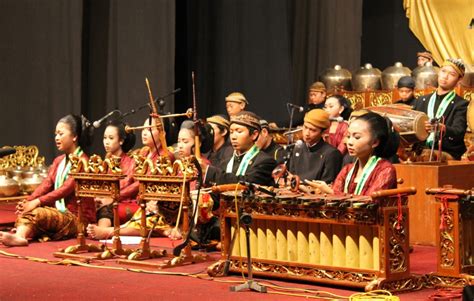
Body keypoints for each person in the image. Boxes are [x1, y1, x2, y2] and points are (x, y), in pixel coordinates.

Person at [0, 114, 94, 246]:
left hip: (77, 217)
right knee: (29, 211)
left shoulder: (83, 162)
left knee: (38, 212)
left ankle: (20, 236)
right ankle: (20, 235)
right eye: (55, 134)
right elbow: (45, 185)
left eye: (61, 134)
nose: (56, 138)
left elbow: (65, 189)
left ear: (74, 136)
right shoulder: (58, 161)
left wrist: (37, 202)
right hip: (59, 213)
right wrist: (28, 202)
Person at [87, 117, 174, 240]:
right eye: (143, 129)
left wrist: (114, 196)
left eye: (149, 129)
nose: (144, 132)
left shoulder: (165, 155)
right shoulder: (142, 153)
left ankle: (106, 232)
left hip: (153, 203)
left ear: (162, 133)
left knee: (112, 208)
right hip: (138, 200)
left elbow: (141, 182)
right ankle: (102, 232)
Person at [313, 112, 399, 196]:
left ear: (375, 142)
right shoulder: (347, 169)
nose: (349, 142)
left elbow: (370, 203)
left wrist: (331, 192)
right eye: (348, 136)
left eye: (357, 137)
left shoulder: (385, 170)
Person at [413, 58, 468, 160]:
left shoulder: (461, 104)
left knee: (428, 155)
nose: (445, 76)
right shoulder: (422, 100)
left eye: (452, 74)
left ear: (459, 80)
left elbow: (458, 132)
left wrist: (441, 128)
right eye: (443, 71)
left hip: (447, 151)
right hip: (421, 150)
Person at [204, 111, 277, 187]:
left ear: (254, 135)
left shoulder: (265, 161)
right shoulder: (225, 162)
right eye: (231, 132)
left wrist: (209, 172)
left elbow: (246, 183)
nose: (233, 137)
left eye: (239, 131)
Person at [93, 120, 136, 229]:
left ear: (121, 141)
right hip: (108, 200)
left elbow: (132, 186)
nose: (106, 142)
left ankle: (102, 231)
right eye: (105, 138)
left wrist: (112, 197)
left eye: (111, 138)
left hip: (126, 202)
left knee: (107, 208)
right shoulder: (106, 161)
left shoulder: (131, 162)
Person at [288, 109, 342, 183]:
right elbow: (292, 176)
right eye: (305, 127)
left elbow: (327, 184)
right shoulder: (298, 148)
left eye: (313, 130)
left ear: (323, 132)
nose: (307, 133)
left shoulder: (331, 154)